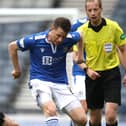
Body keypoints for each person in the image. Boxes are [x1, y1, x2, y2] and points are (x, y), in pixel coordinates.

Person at [8, 17, 87, 126]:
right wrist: (17, 70)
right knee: (51, 110)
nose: (60, 40)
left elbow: (80, 35)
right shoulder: (34, 40)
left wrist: (80, 56)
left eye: (63, 37)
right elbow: (12, 46)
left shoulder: (69, 38)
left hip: (60, 83)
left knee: (81, 119)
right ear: (52, 28)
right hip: (40, 81)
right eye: (58, 35)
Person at [77, 0, 126, 126]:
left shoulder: (113, 26)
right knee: (94, 119)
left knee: (110, 115)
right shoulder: (81, 31)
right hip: (92, 75)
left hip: (112, 74)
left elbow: (123, 48)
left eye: (95, 9)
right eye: (89, 10)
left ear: (101, 9)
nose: (93, 13)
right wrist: (87, 70)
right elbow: (77, 57)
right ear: (86, 11)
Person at [70, 17, 88, 126]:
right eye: (90, 10)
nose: (93, 13)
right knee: (83, 108)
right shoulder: (77, 25)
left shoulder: (106, 25)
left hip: (99, 72)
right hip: (80, 72)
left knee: (95, 110)